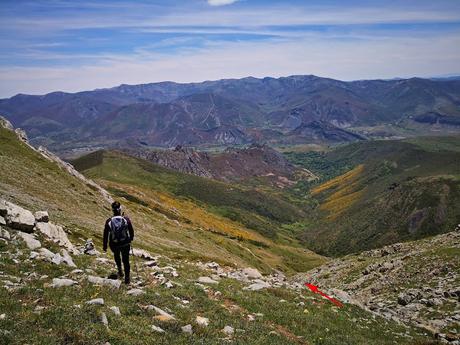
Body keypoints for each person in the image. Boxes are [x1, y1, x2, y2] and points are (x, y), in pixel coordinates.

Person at [103, 201, 134, 284]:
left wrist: (105, 246)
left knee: (117, 257)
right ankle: (127, 278)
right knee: (126, 260)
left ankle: (120, 270)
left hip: (114, 244)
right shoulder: (126, 219)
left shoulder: (109, 221)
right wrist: (130, 239)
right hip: (125, 243)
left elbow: (106, 234)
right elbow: (131, 230)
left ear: (112, 210)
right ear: (120, 209)